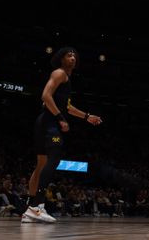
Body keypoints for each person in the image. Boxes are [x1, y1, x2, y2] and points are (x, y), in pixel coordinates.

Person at [21, 47, 102, 224]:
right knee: (54, 158)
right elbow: (45, 95)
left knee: (41, 164)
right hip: (50, 121)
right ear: (60, 58)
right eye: (68, 55)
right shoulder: (59, 73)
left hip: (45, 122)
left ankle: (29, 208)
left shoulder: (66, 78)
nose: (72, 57)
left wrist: (87, 117)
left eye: (74, 55)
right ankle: (37, 206)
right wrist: (60, 118)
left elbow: (68, 107)